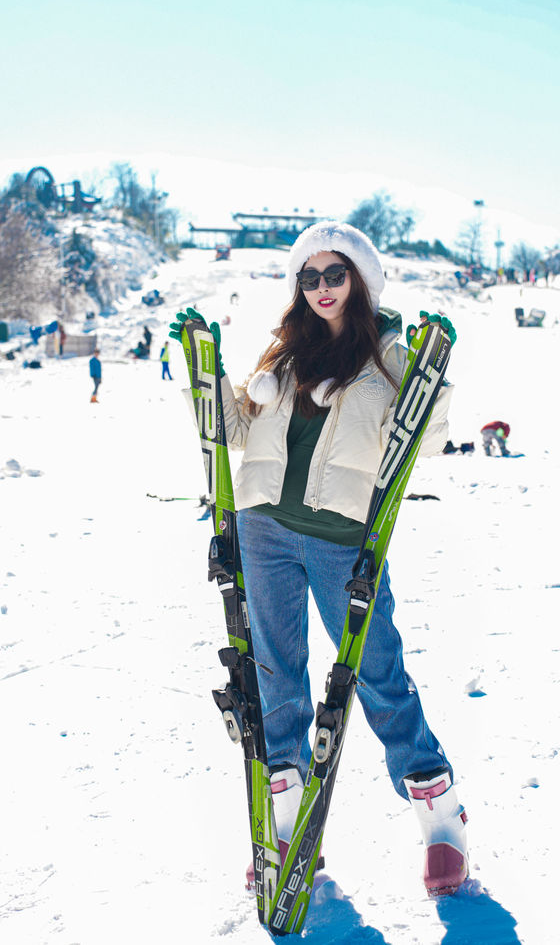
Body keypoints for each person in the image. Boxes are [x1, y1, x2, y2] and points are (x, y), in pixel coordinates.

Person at [170, 221, 468, 898]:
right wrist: (204, 369)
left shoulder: (389, 354)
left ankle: (441, 820)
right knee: (277, 679)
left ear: (360, 280)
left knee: (378, 678)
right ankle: (287, 824)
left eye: (336, 275)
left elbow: (430, 437)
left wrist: (431, 373)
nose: (324, 288)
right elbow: (237, 430)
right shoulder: (284, 356)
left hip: (341, 537)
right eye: (311, 276)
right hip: (264, 528)